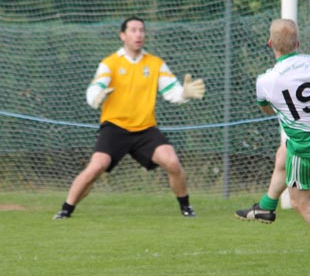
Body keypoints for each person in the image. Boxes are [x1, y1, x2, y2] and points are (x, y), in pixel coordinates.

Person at [53, 16, 205, 220]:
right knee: (96, 166)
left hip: (145, 128)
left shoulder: (155, 63)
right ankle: (66, 210)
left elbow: (173, 92)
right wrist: (96, 96)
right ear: (122, 35)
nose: (138, 34)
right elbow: (96, 88)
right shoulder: (110, 63)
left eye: (141, 30)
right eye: (133, 30)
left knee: (172, 162)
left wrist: (184, 94)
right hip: (114, 127)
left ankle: (186, 208)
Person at [236, 18, 310, 259]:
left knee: (300, 202)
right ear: (298, 42)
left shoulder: (265, 81)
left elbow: (266, 109)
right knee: (282, 155)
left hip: (306, 144)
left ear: (270, 43)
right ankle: (266, 206)